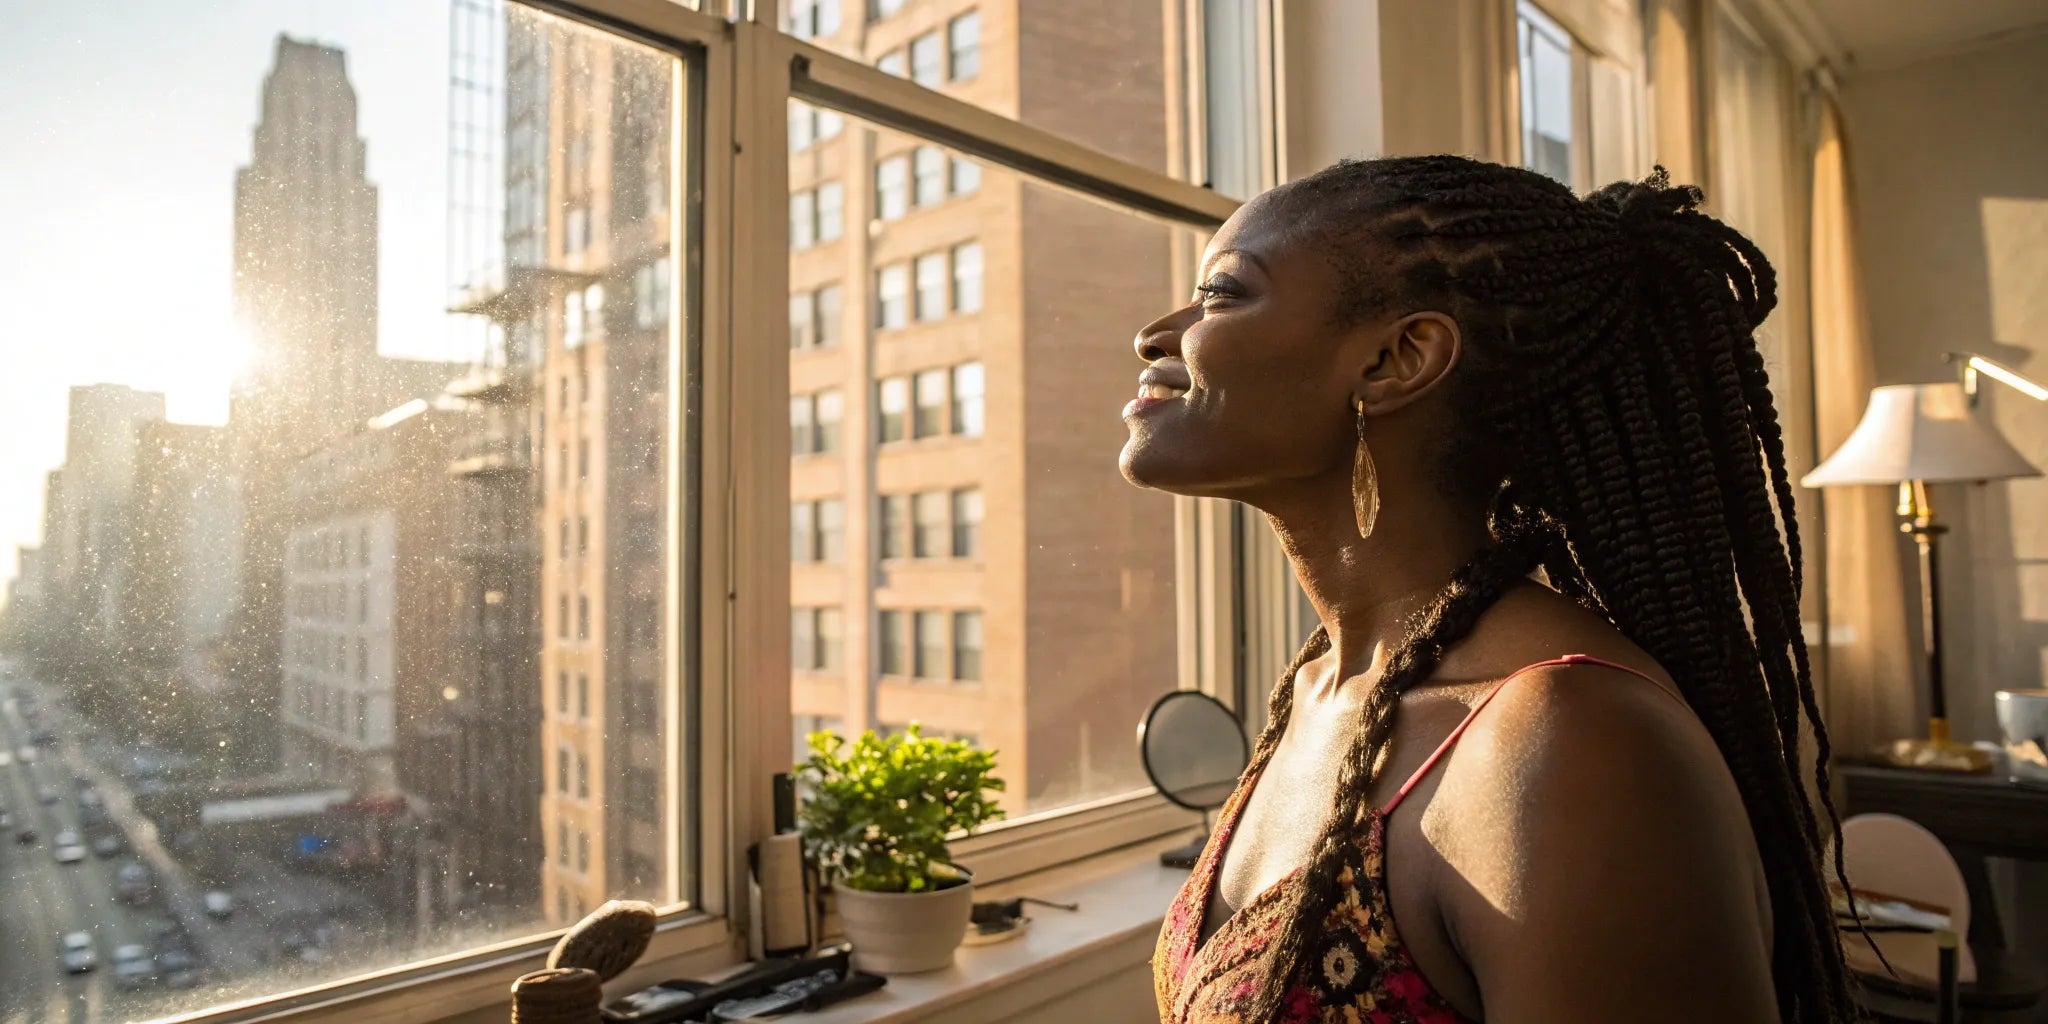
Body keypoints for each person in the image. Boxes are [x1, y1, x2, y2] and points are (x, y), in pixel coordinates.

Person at [1129, 156, 1853, 1023]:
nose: (1155, 334)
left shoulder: (1568, 742)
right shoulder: (1326, 684)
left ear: (1397, 359)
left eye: (1221, 295)